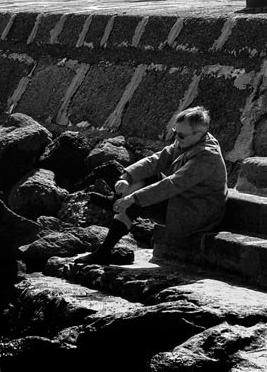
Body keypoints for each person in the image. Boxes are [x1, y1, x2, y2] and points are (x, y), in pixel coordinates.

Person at [90, 106, 228, 264]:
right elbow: (156, 160)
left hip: (196, 211)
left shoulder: (207, 156)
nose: (177, 138)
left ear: (199, 134)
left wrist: (133, 198)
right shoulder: (187, 140)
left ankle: (103, 251)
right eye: (175, 132)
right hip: (183, 198)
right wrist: (126, 177)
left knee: (135, 204)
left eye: (181, 135)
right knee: (143, 178)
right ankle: (115, 203)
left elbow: (173, 183)